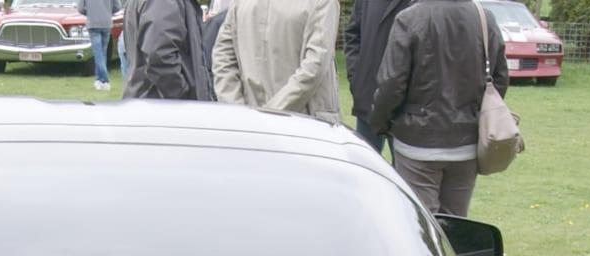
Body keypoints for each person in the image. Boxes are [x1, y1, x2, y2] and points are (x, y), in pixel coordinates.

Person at [367, 0, 506, 256]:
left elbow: (392, 82)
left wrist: (380, 122)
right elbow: (500, 78)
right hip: (465, 143)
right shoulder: (484, 17)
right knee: (457, 222)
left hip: (418, 141)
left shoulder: (411, 18)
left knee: (421, 227)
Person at [211, 0, 342, 124]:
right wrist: (264, 114)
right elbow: (315, 65)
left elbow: (222, 58)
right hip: (304, 125)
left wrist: (238, 110)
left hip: (254, 122)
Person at [343, 0, 415, 152]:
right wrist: (356, 78)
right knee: (365, 165)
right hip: (368, 97)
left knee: (402, 174)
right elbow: (353, 35)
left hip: (406, 104)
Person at [122, 0, 215, 99]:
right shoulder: (163, 3)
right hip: (162, 106)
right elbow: (160, 57)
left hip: (153, 101)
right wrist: (183, 95)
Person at [79, 0, 120, 90]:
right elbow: (117, 7)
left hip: (93, 23)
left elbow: (81, 8)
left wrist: (90, 12)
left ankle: (105, 80)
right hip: (106, 23)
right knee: (103, 53)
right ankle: (98, 80)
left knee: (97, 53)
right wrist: (107, 11)